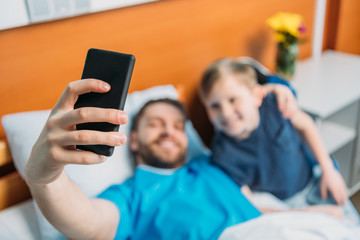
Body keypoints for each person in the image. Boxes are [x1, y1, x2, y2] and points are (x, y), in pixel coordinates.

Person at [24, 79, 341, 240]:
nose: (170, 132)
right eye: (156, 124)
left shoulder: (214, 165)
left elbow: (252, 207)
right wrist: (46, 179)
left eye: (178, 126)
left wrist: (273, 88)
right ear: (132, 139)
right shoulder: (132, 195)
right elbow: (90, 222)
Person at [198, 58, 349, 211]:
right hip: (285, 206)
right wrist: (307, 214)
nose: (225, 113)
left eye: (233, 100)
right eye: (214, 106)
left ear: (256, 96)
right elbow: (249, 203)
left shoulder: (274, 105)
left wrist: (328, 170)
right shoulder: (222, 154)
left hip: (315, 179)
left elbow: (305, 124)